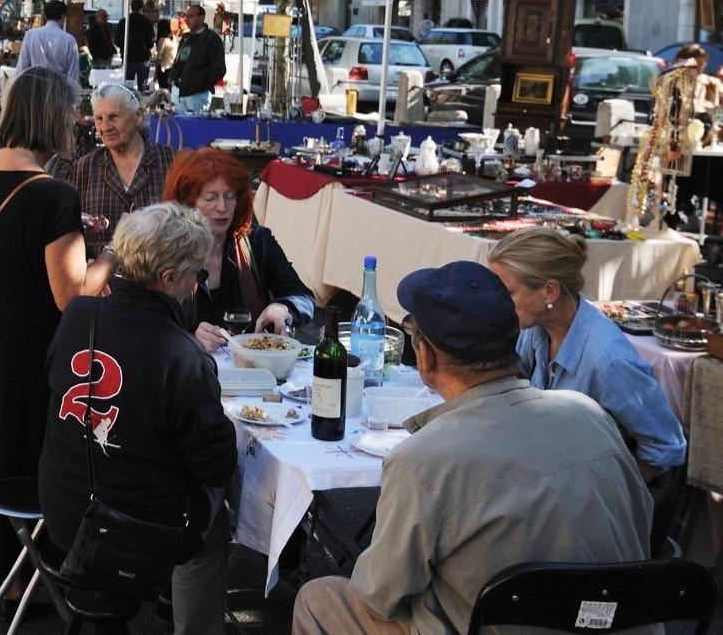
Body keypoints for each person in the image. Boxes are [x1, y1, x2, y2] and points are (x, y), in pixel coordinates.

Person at [292, 261, 654, 635]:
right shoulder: (589, 414)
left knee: (319, 599)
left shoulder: (421, 460)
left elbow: (378, 594)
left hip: (504, 619)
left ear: (426, 356)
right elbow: (641, 527)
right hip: (621, 621)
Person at [0, 67, 114, 604]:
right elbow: (73, 296)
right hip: (26, 338)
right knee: (18, 445)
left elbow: (7, 244)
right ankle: (18, 581)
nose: (77, 121)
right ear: (50, 117)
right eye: (69, 112)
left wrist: (72, 231)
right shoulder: (52, 193)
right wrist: (112, 251)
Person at [39, 203, 236, 592]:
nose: (197, 281)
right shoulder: (183, 355)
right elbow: (216, 467)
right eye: (195, 273)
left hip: (60, 508)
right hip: (135, 531)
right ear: (168, 277)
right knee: (218, 524)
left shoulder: (79, 314)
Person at [489, 227, 686, 479]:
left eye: (507, 293)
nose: (498, 302)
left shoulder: (608, 360)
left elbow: (666, 445)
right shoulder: (537, 329)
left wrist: (605, 496)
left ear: (550, 291)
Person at [163, 147, 313, 346]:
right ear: (188, 203)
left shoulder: (258, 242)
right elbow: (151, 322)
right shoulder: (167, 250)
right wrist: (190, 337)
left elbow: (305, 299)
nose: (222, 207)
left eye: (229, 196)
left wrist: (285, 309)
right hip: (191, 369)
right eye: (210, 197)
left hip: (254, 369)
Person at [70, 82, 176, 258]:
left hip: (159, 281)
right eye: (99, 119)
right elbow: (72, 234)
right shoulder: (84, 169)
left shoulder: (170, 162)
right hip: (102, 283)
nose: (105, 127)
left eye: (113, 117)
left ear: (138, 117)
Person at [14, 0, 80, 88]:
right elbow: (73, 77)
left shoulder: (31, 35)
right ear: (63, 17)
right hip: (59, 92)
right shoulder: (69, 40)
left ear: (45, 16)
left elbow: (22, 68)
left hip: (35, 89)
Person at [174, 4, 227, 114]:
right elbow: (180, 60)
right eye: (186, 16)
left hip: (198, 95)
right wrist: (173, 77)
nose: (187, 19)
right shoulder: (186, 37)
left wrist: (201, 84)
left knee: (195, 128)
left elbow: (219, 69)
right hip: (180, 92)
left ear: (201, 17)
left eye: (191, 16)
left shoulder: (212, 39)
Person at [118, 0, 156, 89]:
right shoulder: (146, 22)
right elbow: (150, 41)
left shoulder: (124, 22)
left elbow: (117, 40)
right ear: (142, 8)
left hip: (128, 57)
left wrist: (125, 48)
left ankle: (128, 103)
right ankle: (142, 103)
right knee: (142, 87)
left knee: (127, 87)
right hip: (142, 57)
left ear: (131, 7)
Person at [154, 18, 179, 92]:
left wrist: (156, 73)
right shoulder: (174, 38)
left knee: (163, 91)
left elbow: (159, 58)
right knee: (170, 90)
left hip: (164, 69)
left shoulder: (163, 40)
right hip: (173, 67)